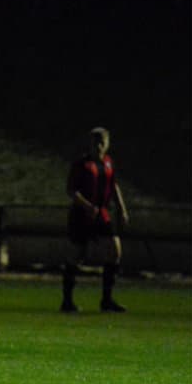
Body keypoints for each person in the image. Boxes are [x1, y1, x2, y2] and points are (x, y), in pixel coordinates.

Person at [61, 127, 129, 313]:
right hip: (81, 215)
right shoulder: (81, 164)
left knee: (114, 250)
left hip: (101, 213)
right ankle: (67, 301)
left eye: (102, 143)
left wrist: (121, 208)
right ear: (90, 144)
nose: (98, 146)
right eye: (95, 142)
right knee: (76, 255)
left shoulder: (108, 163)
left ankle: (106, 300)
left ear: (107, 144)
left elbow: (113, 186)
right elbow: (71, 191)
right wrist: (87, 206)